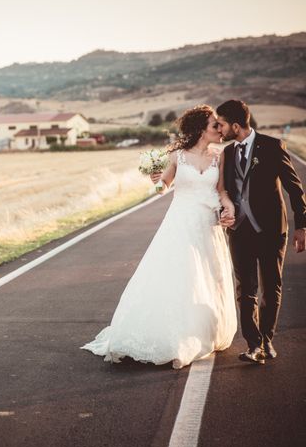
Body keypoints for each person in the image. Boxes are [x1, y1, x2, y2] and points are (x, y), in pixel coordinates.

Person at [81, 105, 238, 369]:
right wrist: (156, 181)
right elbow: (162, 187)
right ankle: (169, 336)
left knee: (205, 279)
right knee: (176, 275)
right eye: (215, 125)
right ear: (201, 129)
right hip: (179, 222)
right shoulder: (178, 155)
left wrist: (229, 207)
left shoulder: (219, 157)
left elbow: (221, 191)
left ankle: (197, 332)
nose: (220, 129)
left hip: (207, 225)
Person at [215, 100, 306, 364]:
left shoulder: (272, 146)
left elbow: (295, 188)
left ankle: (267, 339)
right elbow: (224, 191)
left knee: (271, 286)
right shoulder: (228, 153)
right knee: (245, 289)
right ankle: (253, 344)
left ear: (235, 125)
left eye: (221, 124)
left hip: (271, 230)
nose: (219, 130)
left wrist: (301, 226)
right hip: (240, 231)